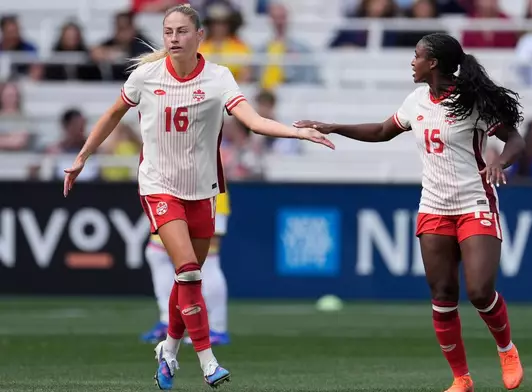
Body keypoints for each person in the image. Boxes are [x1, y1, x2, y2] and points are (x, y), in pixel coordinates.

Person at [62, 4, 333, 390]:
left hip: (202, 191)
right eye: (168, 31)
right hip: (158, 186)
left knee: (187, 279)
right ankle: (208, 361)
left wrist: (297, 132)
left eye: (181, 31)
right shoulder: (146, 75)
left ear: (199, 36)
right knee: (188, 270)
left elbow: (253, 122)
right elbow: (112, 114)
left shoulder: (219, 78)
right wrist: (82, 157)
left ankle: (168, 351)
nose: (173, 38)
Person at [294, 32, 525, 392]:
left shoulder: (471, 102)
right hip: (433, 207)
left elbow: (515, 138)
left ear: (432, 63)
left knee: (480, 291)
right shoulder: (417, 100)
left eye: (417, 56)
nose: (411, 62)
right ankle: (461, 379)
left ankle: (506, 349)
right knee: (443, 295)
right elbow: (383, 131)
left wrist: (502, 162)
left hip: (474, 203)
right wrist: (333, 126)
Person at [141, 190, 231, 346]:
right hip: (176, 191)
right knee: (156, 252)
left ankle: (217, 328)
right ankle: (169, 321)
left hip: (206, 189)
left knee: (207, 258)